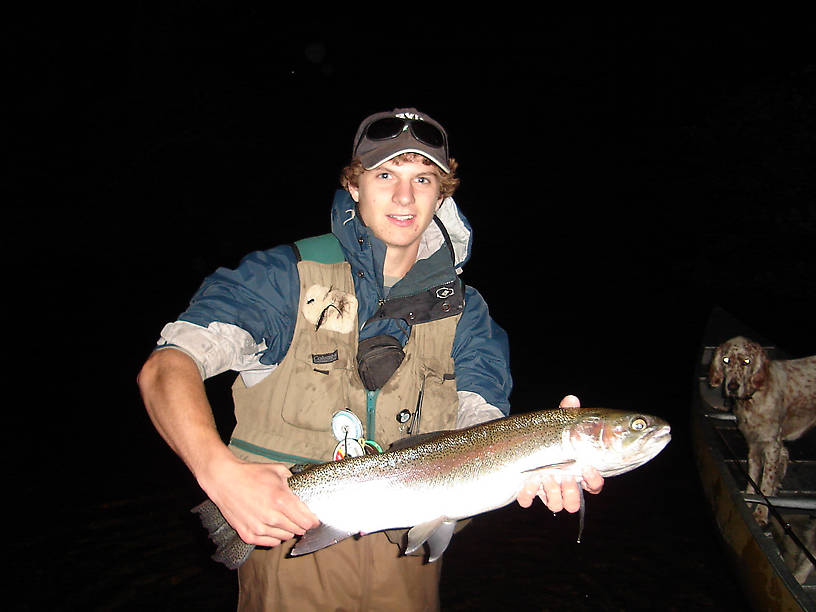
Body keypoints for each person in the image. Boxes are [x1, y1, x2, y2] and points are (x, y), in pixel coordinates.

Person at [137, 107, 604, 611]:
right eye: (385, 175)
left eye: (423, 178)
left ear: (442, 194)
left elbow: (482, 431)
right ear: (355, 185)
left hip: (408, 565)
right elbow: (167, 368)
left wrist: (539, 457)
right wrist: (219, 473)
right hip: (285, 544)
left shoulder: (468, 314)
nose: (404, 197)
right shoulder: (282, 278)